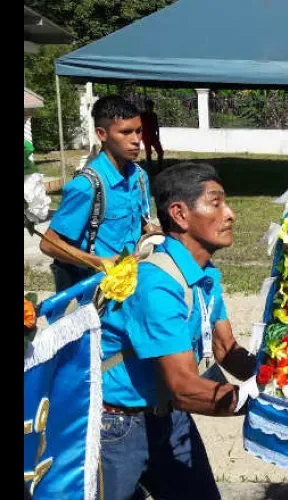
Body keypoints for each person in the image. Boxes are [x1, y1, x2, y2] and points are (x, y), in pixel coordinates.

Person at [99, 162, 257, 500]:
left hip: (170, 417)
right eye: (216, 203)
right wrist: (260, 402)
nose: (230, 214)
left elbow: (226, 349)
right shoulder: (156, 285)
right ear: (180, 214)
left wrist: (282, 376)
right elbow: (185, 388)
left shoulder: (204, 275)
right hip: (117, 426)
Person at [40, 95, 158, 292]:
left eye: (139, 131)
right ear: (102, 134)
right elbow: (49, 244)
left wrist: (153, 232)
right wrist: (99, 262)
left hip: (132, 283)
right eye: (126, 132)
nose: (136, 140)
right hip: (95, 291)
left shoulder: (139, 177)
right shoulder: (87, 186)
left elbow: (141, 220)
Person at [141, 99, 164, 172]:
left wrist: (158, 134)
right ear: (146, 107)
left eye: (152, 106)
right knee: (148, 153)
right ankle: (149, 169)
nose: (151, 108)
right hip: (145, 136)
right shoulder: (142, 115)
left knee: (160, 152)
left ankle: (160, 168)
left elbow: (157, 125)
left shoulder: (154, 115)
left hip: (154, 136)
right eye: (149, 106)